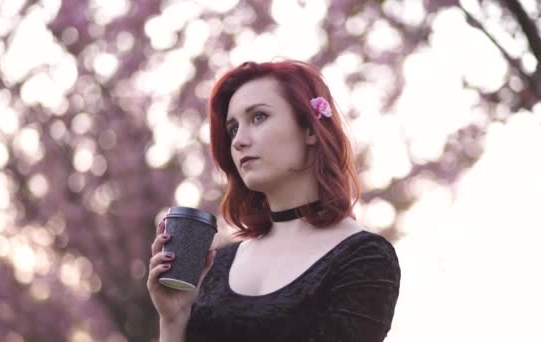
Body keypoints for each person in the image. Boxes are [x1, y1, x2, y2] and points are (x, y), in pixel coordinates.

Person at [147, 60, 400, 342]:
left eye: (258, 117)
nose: (238, 140)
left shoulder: (363, 257)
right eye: (232, 128)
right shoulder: (218, 264)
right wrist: (174, 319)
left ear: (311, 130)